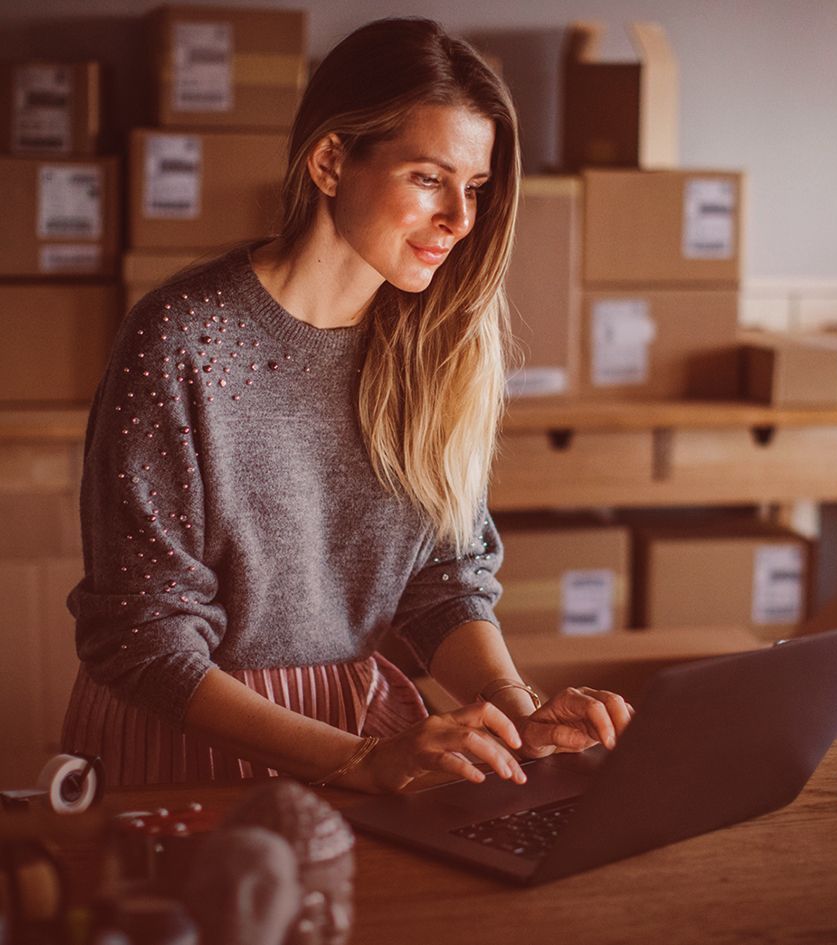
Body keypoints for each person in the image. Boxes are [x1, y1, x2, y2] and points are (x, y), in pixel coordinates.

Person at [62, 17, 633, 793]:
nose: (460, 221)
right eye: (429, 178)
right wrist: (355, 760)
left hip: (359, 737)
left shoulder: (438, 345)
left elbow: (443, 579)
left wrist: (512, 706)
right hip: (192, 741)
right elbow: (141, 639)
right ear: (331, 161)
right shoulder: (180, 339)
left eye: (474, 188)